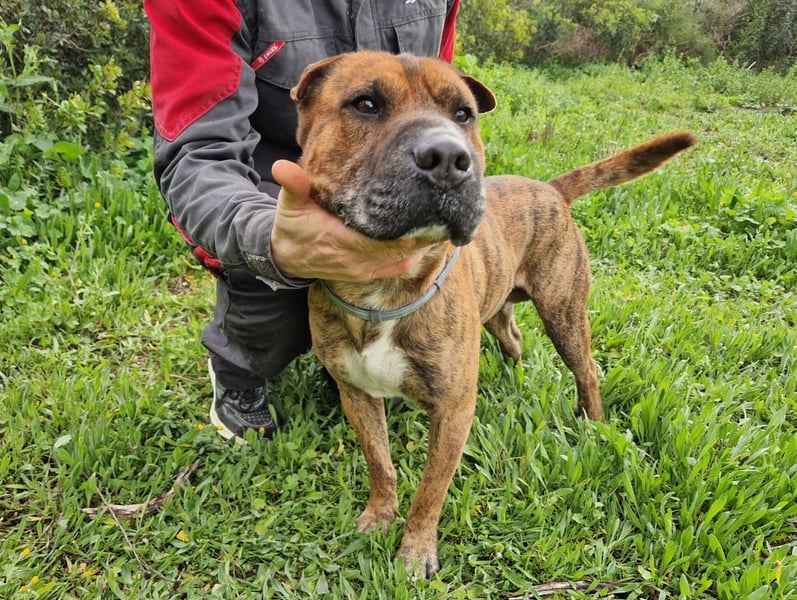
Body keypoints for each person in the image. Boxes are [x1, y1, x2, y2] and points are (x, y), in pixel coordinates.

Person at [144, 1, 462, 443]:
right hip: (264, 182)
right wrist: (267, 238)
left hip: (391, 169)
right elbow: (198, 152)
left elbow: (434, 81)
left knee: (411, 284)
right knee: (269, 290)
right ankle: (239, 369)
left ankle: (354, 357)